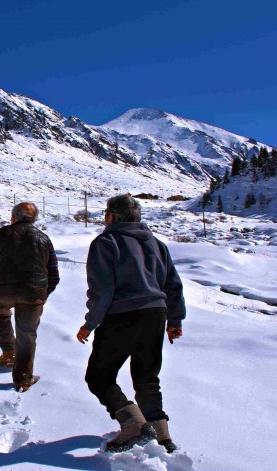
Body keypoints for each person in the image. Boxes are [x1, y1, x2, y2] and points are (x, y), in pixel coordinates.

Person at [76, 194, 186, 453]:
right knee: (147, 376)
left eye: (105, 214)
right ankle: (162, 436)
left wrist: (90, 323)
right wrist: (174, 319)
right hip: (156, 315)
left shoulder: (106, 241)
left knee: (99, 376)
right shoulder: (157, 244)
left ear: (111, 216)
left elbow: (102, 290)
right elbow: (173, 285)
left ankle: (133, 424)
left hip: (121, 316)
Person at [0, 202, 59, 392]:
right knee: (27, 335)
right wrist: (42, 294)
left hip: (0, 292)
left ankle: (8, 352)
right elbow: (53, 274)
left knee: (0, 314)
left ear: (13, 217)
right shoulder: (44, 239)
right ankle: (23, 379)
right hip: (33, 293)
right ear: (34, 219)